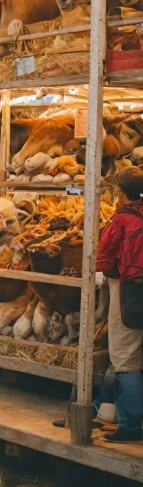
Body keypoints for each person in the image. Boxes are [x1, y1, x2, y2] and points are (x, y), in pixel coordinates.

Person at [96, 166, 143, 443]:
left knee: (126, 358)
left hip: (129, 294)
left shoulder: (122, 220)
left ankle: (130, 425)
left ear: (123, 194)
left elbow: (103, 260)